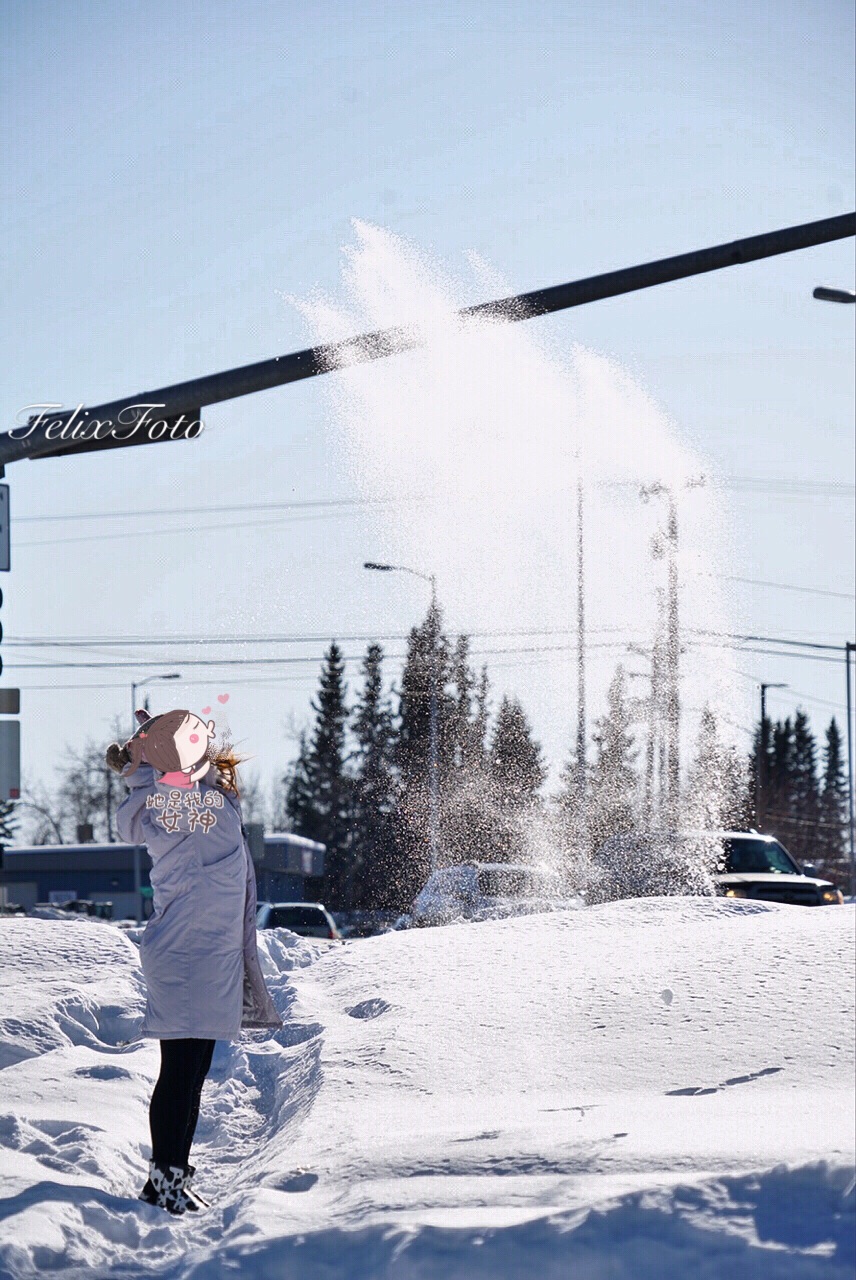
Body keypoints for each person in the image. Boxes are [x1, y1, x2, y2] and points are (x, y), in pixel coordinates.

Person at [106, 708, 283, 1214]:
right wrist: (147, 758)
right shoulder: (177, 805)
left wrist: (146, 754)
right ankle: (163, 1185)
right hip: (188, 956)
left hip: (204, 955)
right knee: (181, 1071)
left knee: (192, 1070)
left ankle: (173, 1180)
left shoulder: (187, 801)